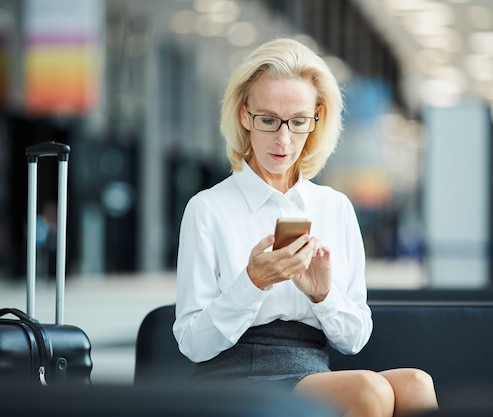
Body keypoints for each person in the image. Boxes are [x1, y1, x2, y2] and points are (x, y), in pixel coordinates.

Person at [173, 37, 439, 417]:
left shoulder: (335, 208)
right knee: (368, 391)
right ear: (244, 115)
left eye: (298, 122)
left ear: (317, 119)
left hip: (312, 370)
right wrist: (253, 282)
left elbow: (355, 339)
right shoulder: (208, 209)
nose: (284, 140)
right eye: (268, 120)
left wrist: (323, 295)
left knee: (417, 384)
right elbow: (192, 344)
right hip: (235, 375)